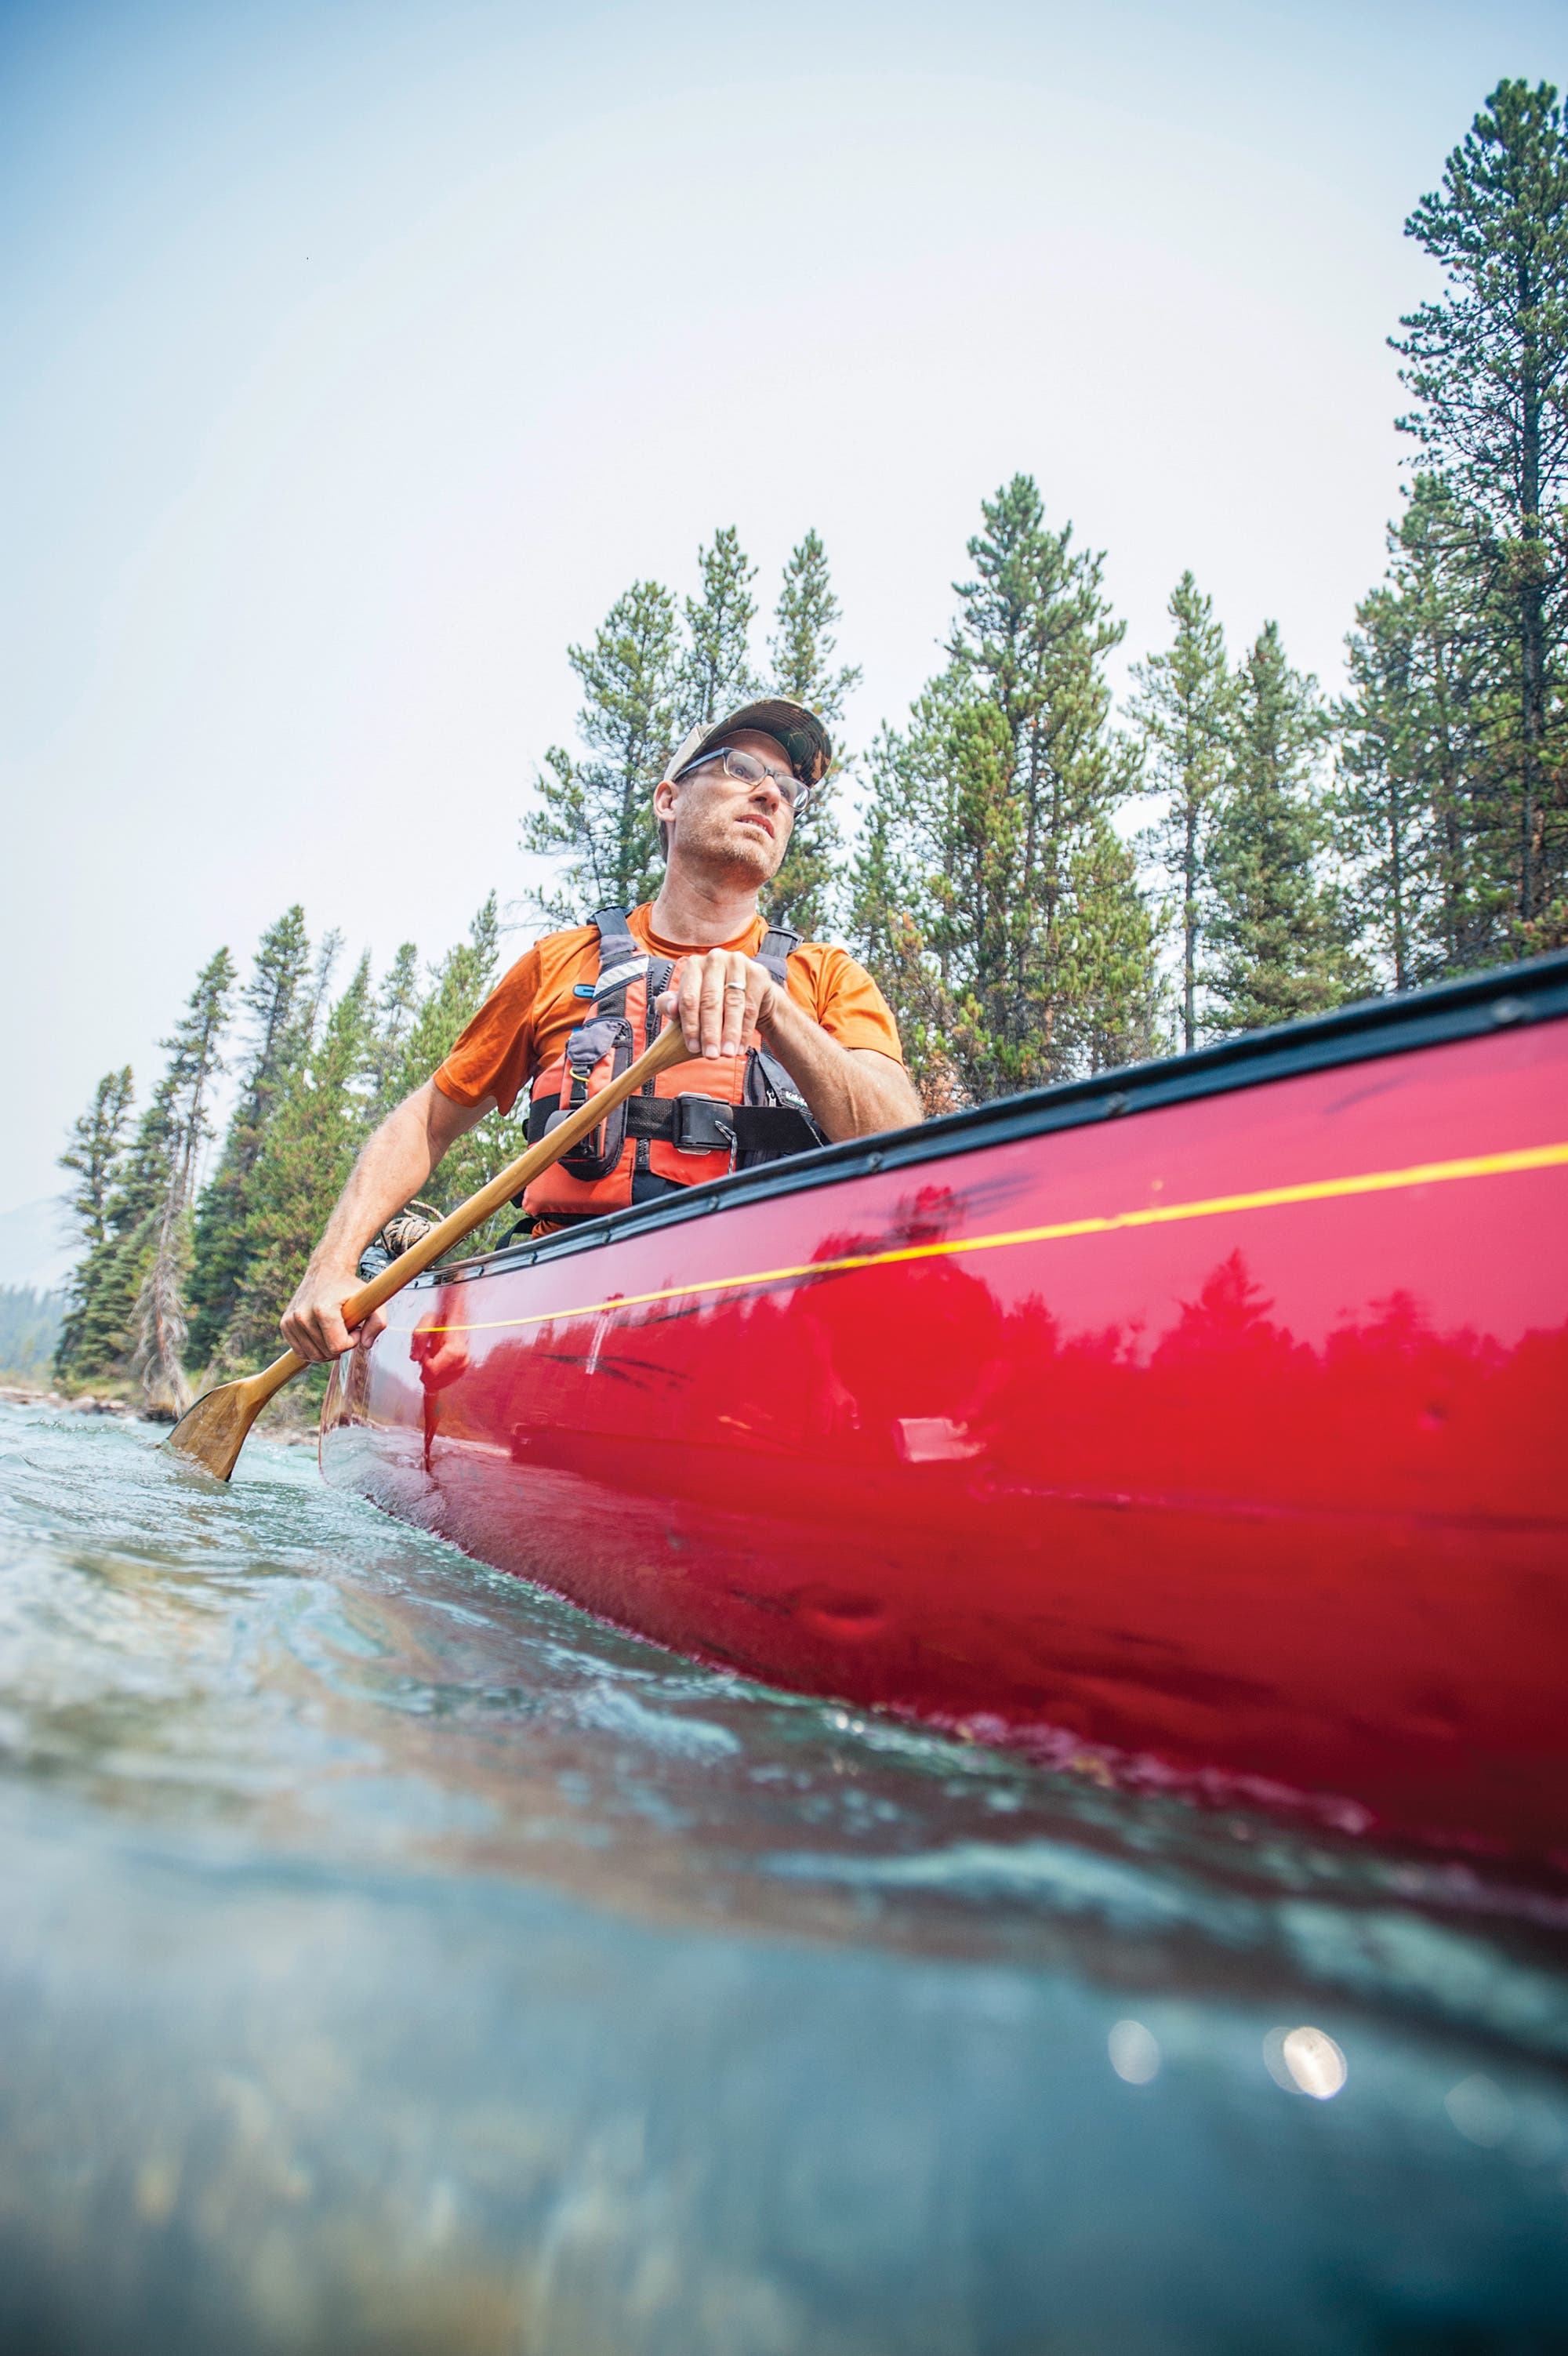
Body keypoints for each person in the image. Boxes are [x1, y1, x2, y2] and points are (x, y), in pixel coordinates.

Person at [282, 697, 921, 1363]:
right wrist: (331, 1264)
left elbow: (902, 1140)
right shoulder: (558, 964)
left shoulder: (827, 979)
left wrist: (775, 1012)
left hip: (750, 1309)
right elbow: (427, 1122)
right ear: (669, 800)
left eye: (789, 789)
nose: (771, 793)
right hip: (554, 1308)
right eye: (741, 767)